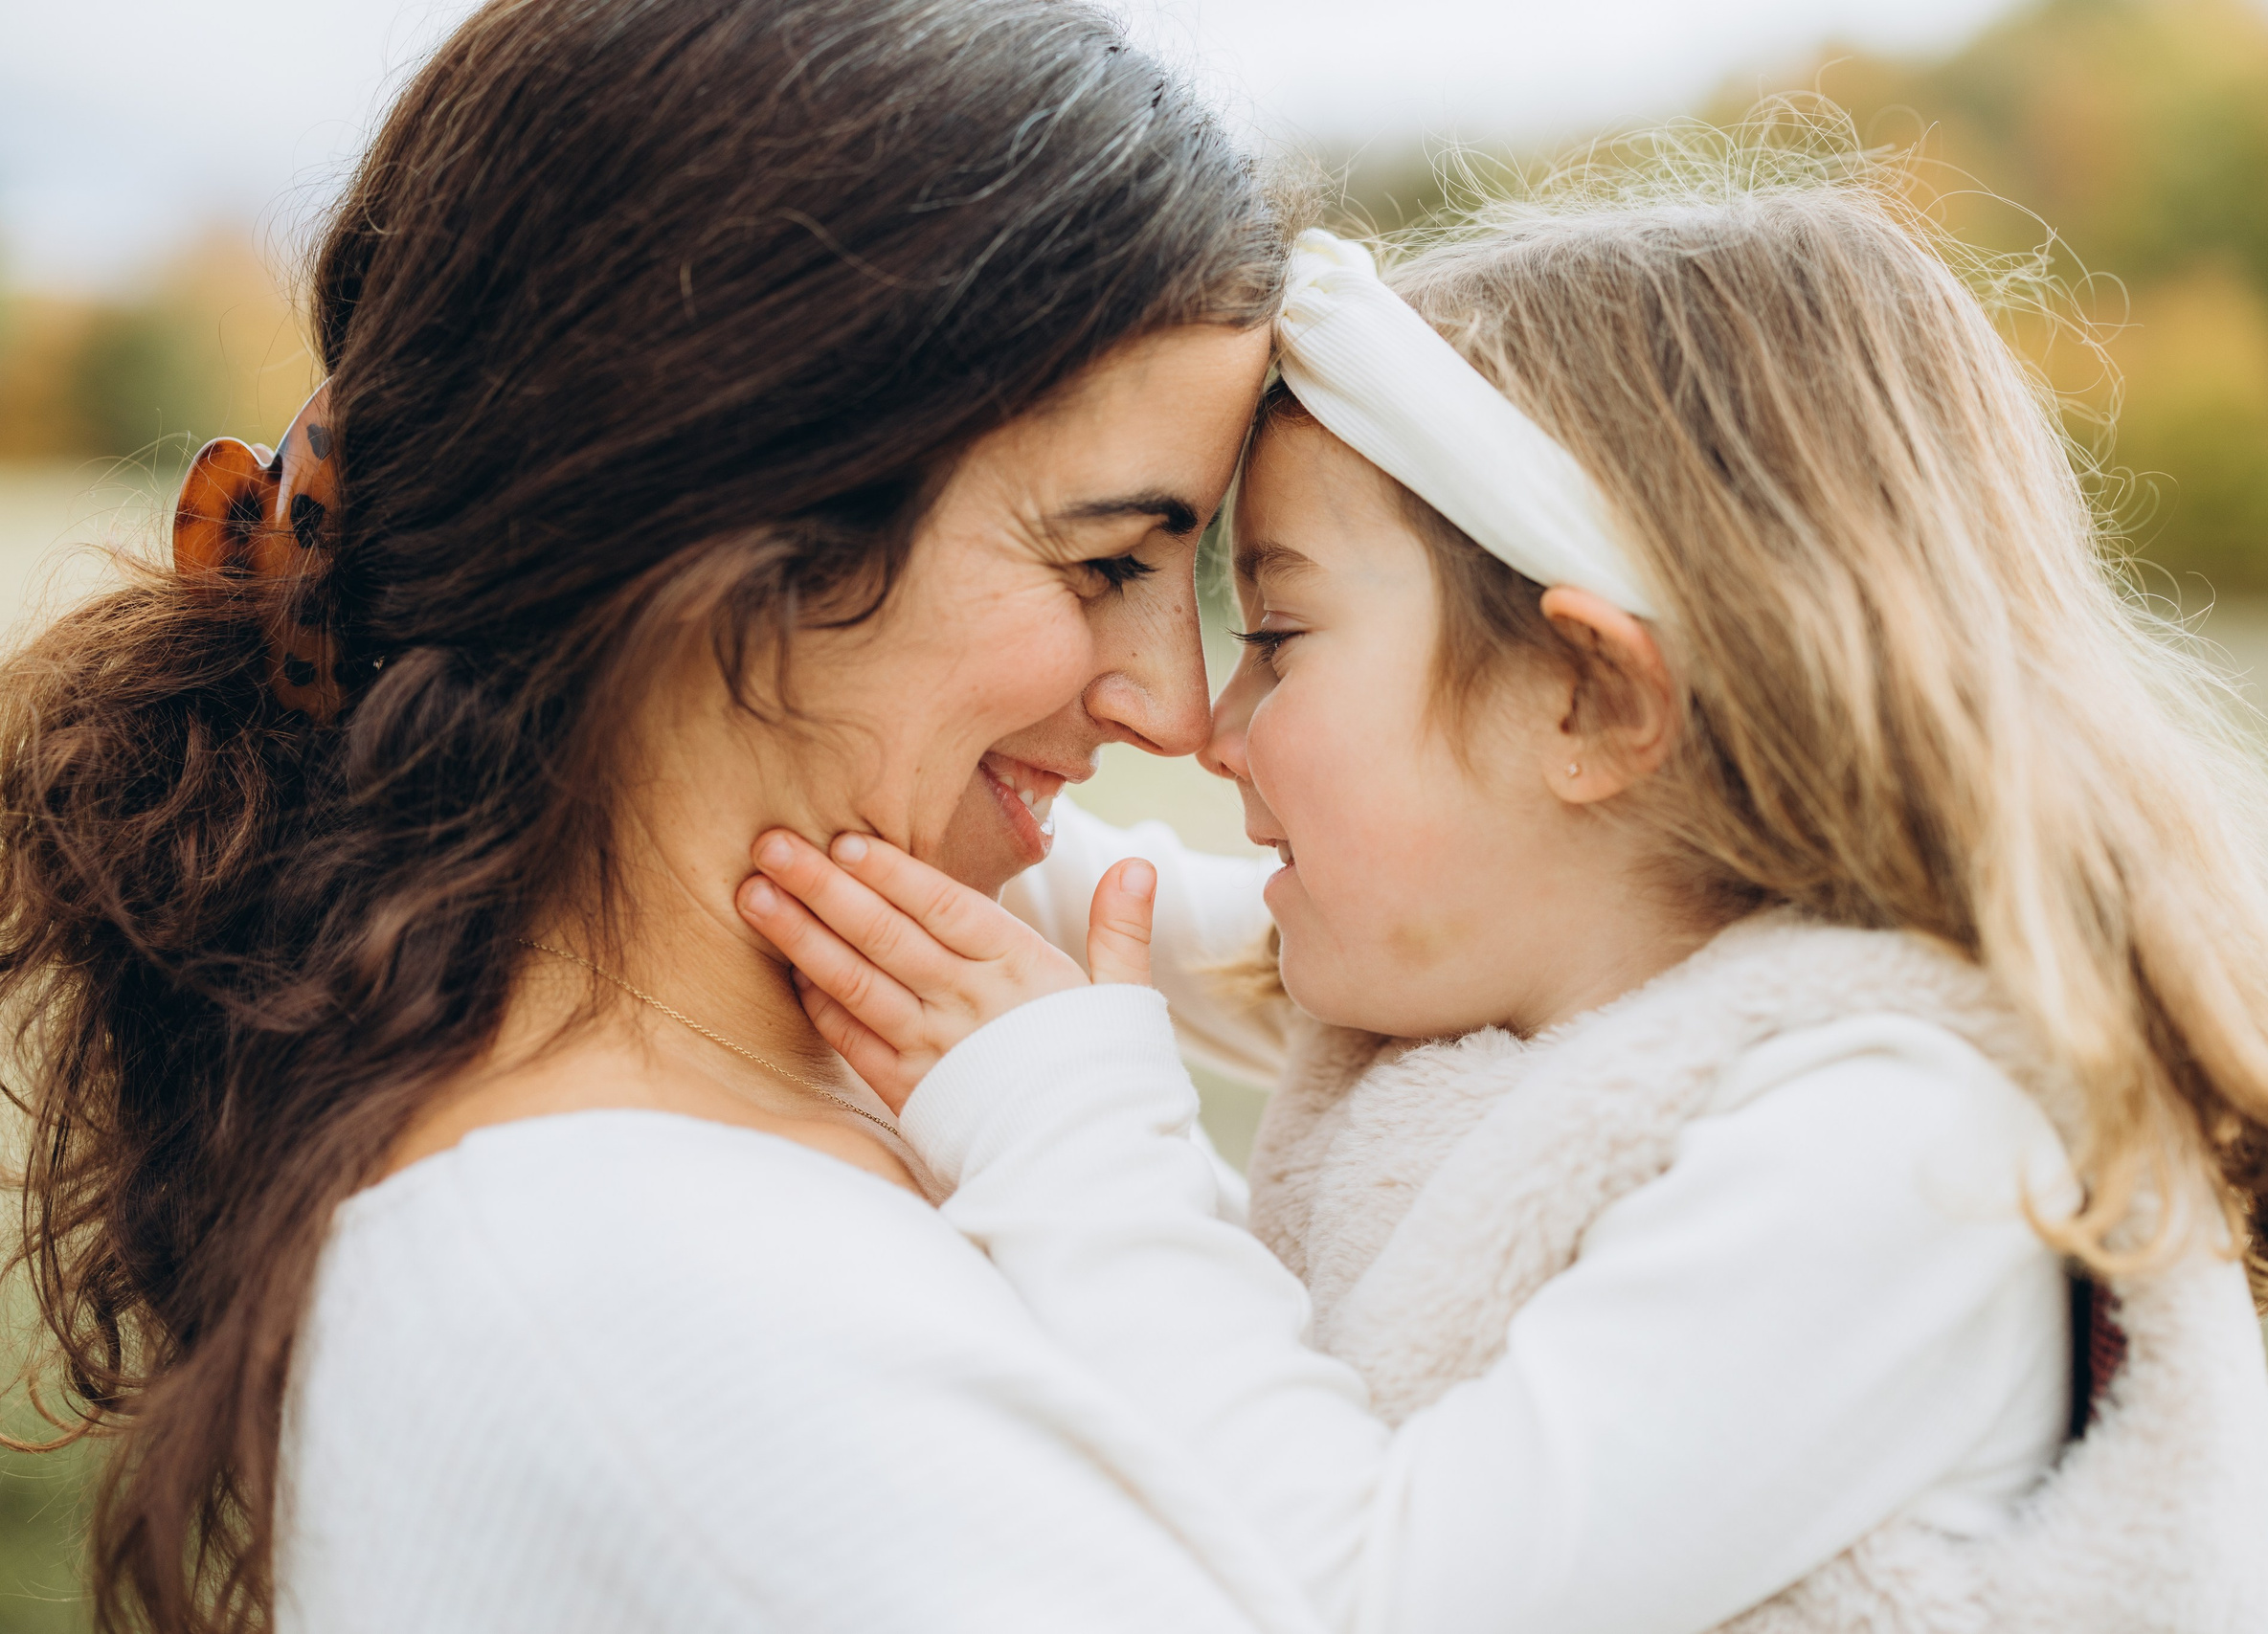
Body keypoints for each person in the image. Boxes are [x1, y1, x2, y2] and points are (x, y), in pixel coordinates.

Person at [741, 135, 2268, 1633]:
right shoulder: (1557, 987)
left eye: (1287, 636)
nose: (1211, 721)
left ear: (1594, 702)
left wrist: (1069, 1141)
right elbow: (1085, 913)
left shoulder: (1906, 1158)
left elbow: (1365, 1598)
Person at [0, 3, 1323, 1630]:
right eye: (1109, 560)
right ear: (727, 523)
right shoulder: (652, 1304)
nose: (1174, 708)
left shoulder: (875, 1060)